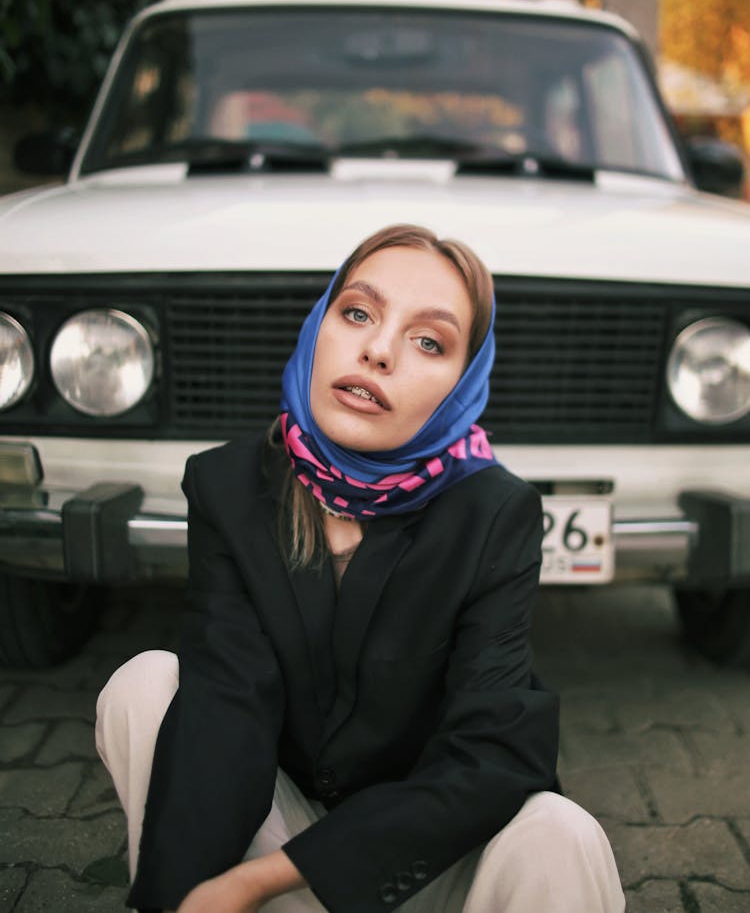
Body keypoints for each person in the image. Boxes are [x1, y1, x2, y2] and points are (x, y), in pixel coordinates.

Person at [96, 224, 625, 913]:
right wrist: (190, 894)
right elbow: (229, 699)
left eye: (427, 341)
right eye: (357, 313)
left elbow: (495, 749)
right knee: (146, 685)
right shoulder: (227, 485)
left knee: (564, 832)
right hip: (275, 821)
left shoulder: (494, 513)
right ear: (320, 325)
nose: (377, 350)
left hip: (417, 855)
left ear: (461, 387)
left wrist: (257, 880)